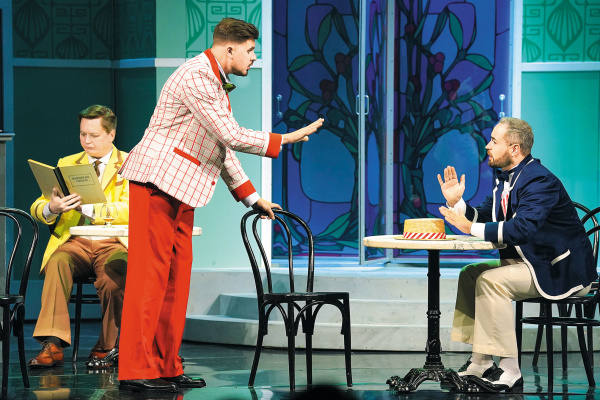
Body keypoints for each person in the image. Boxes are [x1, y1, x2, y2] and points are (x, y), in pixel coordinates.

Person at [117, 17, 323, 393]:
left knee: (176, 283)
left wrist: (251, 197)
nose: (254, 57)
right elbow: (230, 135)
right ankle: (135, 369)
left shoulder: (214, 80)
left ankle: (165, 365)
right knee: (149, 281)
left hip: (182, 189)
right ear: (230, 48)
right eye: (250, 50)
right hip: (156, 183)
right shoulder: (196, 75)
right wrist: (284, 139)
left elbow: (220, 146)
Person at [437, 117, 597, 392]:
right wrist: (458, 203)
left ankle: (510, 370)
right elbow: (485, 216)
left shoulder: (539, 180)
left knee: (491, 281)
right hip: (532, 263)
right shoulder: (507, 179)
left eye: (494, 141)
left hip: (561, 270)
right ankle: (480, 361)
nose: (487, 146)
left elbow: (522, 228)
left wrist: (468, 227)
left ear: (514, 148)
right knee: (471, 274)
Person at [29, 105, 129, 369]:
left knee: (115, 273)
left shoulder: (130, 163)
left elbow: (131, 209)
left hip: (113, 242)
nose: (87, 141)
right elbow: (38, 206)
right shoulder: (67, 163)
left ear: (111, 135)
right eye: (83, 134)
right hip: (76, 243)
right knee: (57, 262)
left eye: (94, 135)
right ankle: (53, 343)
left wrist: (91, 209)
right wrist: (52, 208)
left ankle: (108, 346)